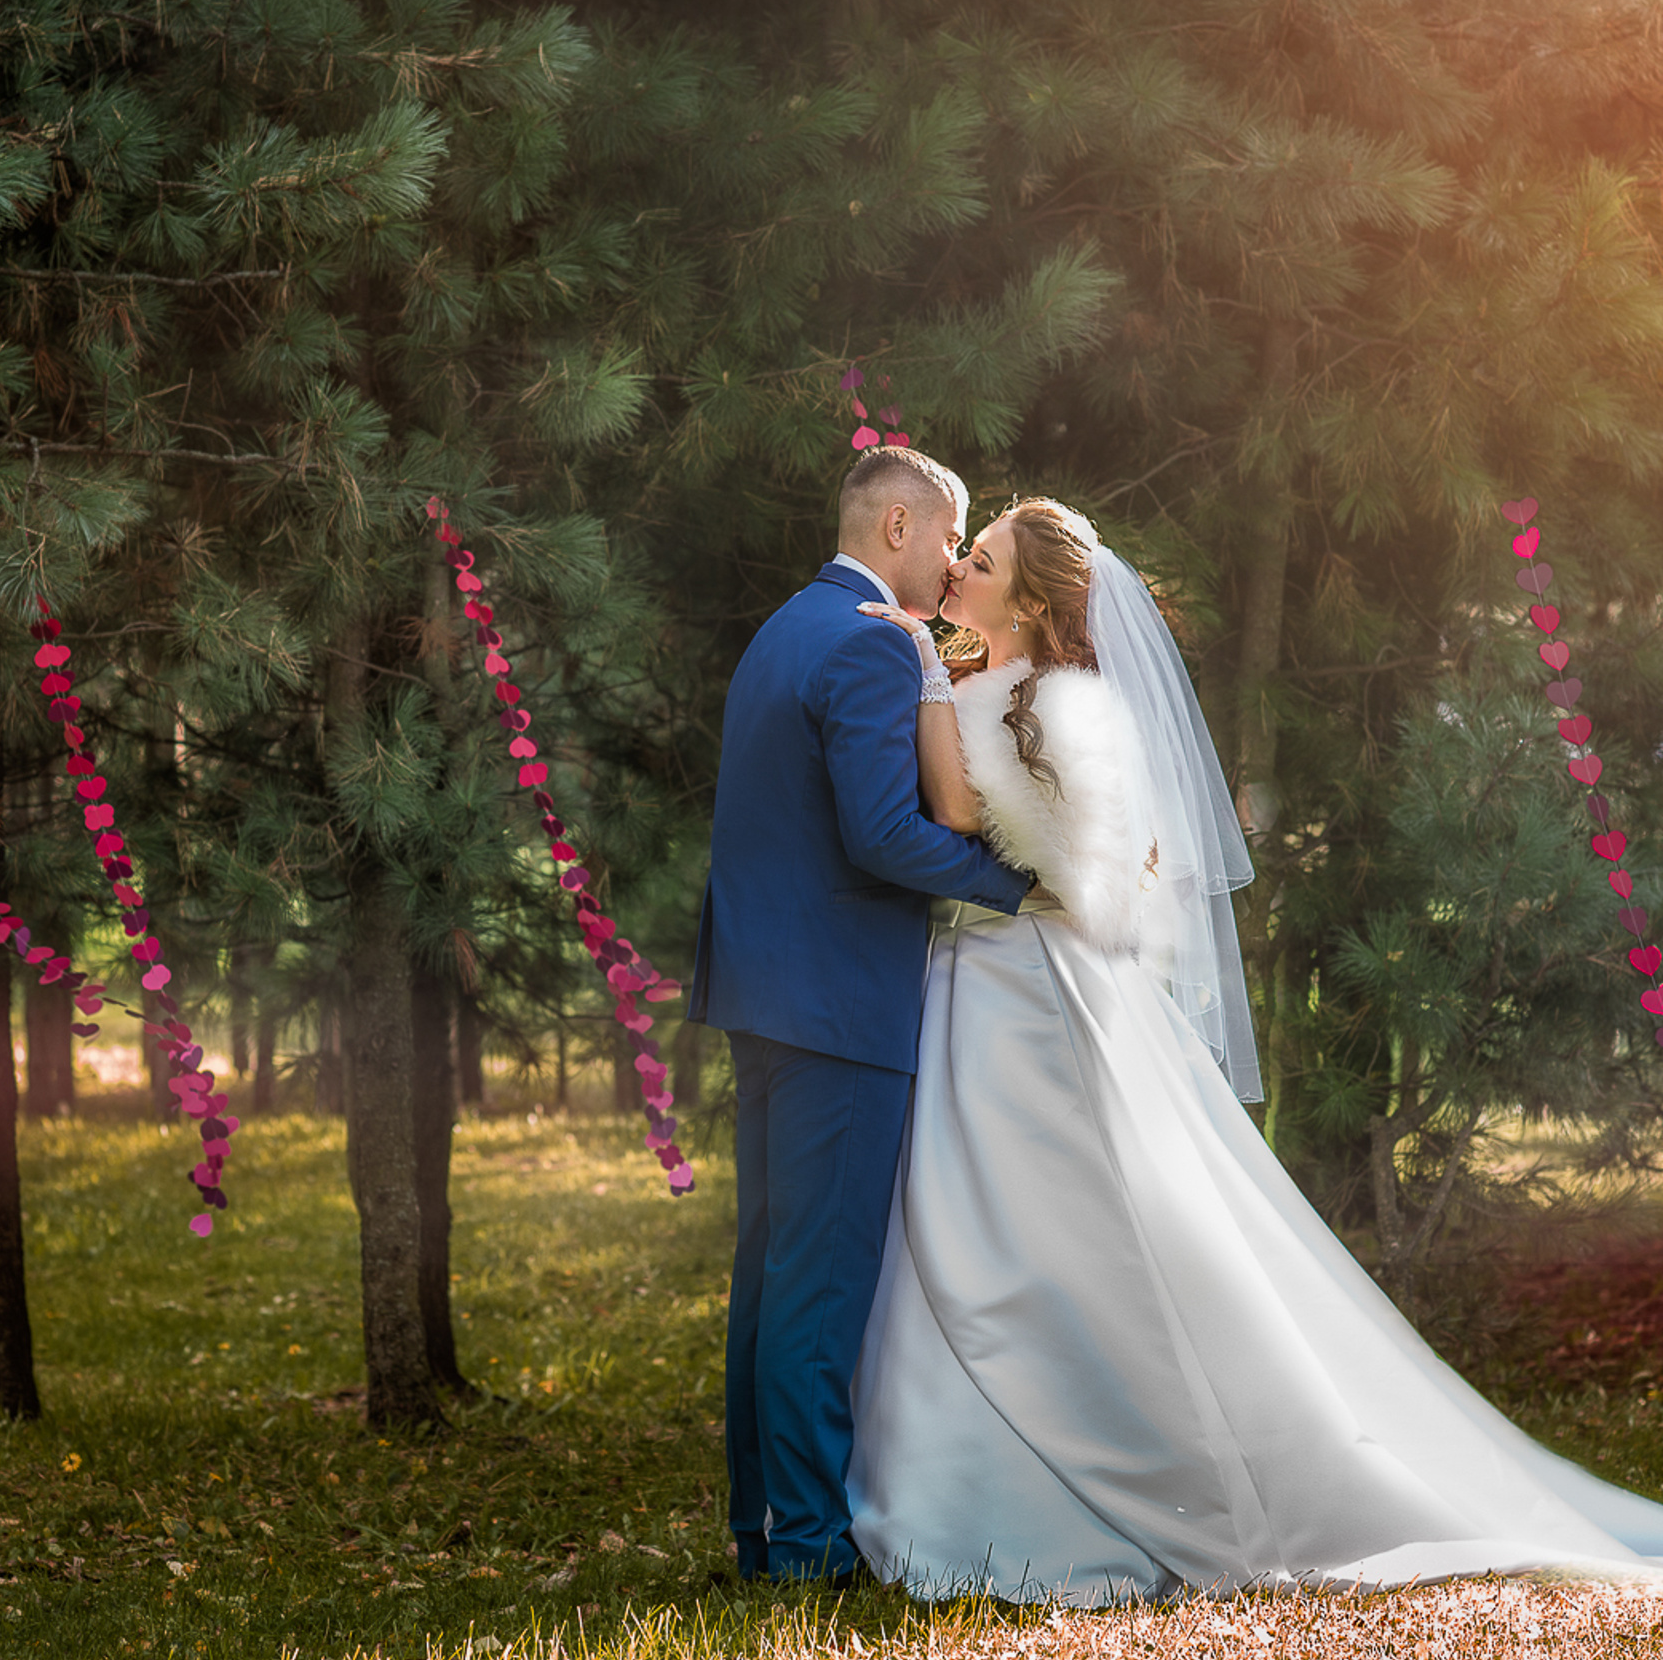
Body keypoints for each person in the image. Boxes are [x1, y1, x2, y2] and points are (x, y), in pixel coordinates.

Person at [848, 495, 1663, 1601]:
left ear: (1031, 604)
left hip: (1032, 991)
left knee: (1043, 1226)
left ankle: (1128, 1466)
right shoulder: (981, 682)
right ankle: (947, 1470)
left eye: (981, 562)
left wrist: (926, 678)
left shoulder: (1055, 706)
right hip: (970, 979)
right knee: (955, 1219)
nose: (959, 573)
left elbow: (997, 832)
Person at [688, 447, 1039, 1585]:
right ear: (898, 527)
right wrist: (1022, 883)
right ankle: (807, 1550)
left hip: (767, 994)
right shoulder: (873, 640)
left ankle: (763, 1529)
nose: (953, 561)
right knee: (822, 1279)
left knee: (773, 1273)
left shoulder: (787, 627)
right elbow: (883, 834)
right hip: (838, 1003)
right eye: (949, 538)